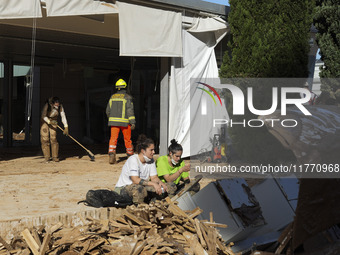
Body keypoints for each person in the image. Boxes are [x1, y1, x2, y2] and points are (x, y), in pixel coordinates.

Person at [114, 135, 176, 204]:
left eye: (154, 150)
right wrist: (153, 184)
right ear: (143, 151)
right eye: (151, 150)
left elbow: (154, 177)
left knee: (170, 186)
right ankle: (138, 210)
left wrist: (160, 183)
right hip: (123, 189)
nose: (154, 152)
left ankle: (169, 206)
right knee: (139, 189)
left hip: (142, 187)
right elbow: (135, 180)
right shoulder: (133, 159)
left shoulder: (150, 160)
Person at [106, 78, 136, 164]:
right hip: (125, 123)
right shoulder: (127, 97)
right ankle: (130, 156)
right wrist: (133, 122)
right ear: (125, 87)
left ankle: (111, 154)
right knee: (127, 139)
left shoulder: (112, 97)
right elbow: (130, 111)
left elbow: (107, 111)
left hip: (113, 122)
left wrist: (112, 118)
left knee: (113, 139)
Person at [40, 97, 69, 163]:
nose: (57, 106)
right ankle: (47, 157)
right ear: (52, 104)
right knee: (45, 138)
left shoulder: (60, 107)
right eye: (56, 104)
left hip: (54, 120)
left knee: (53, 138)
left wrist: (66, 126)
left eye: (58, 104)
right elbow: (43, 115)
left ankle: (55, 157)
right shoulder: (47, 105)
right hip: (45, 121)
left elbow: (63, 116)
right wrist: (49, 121)